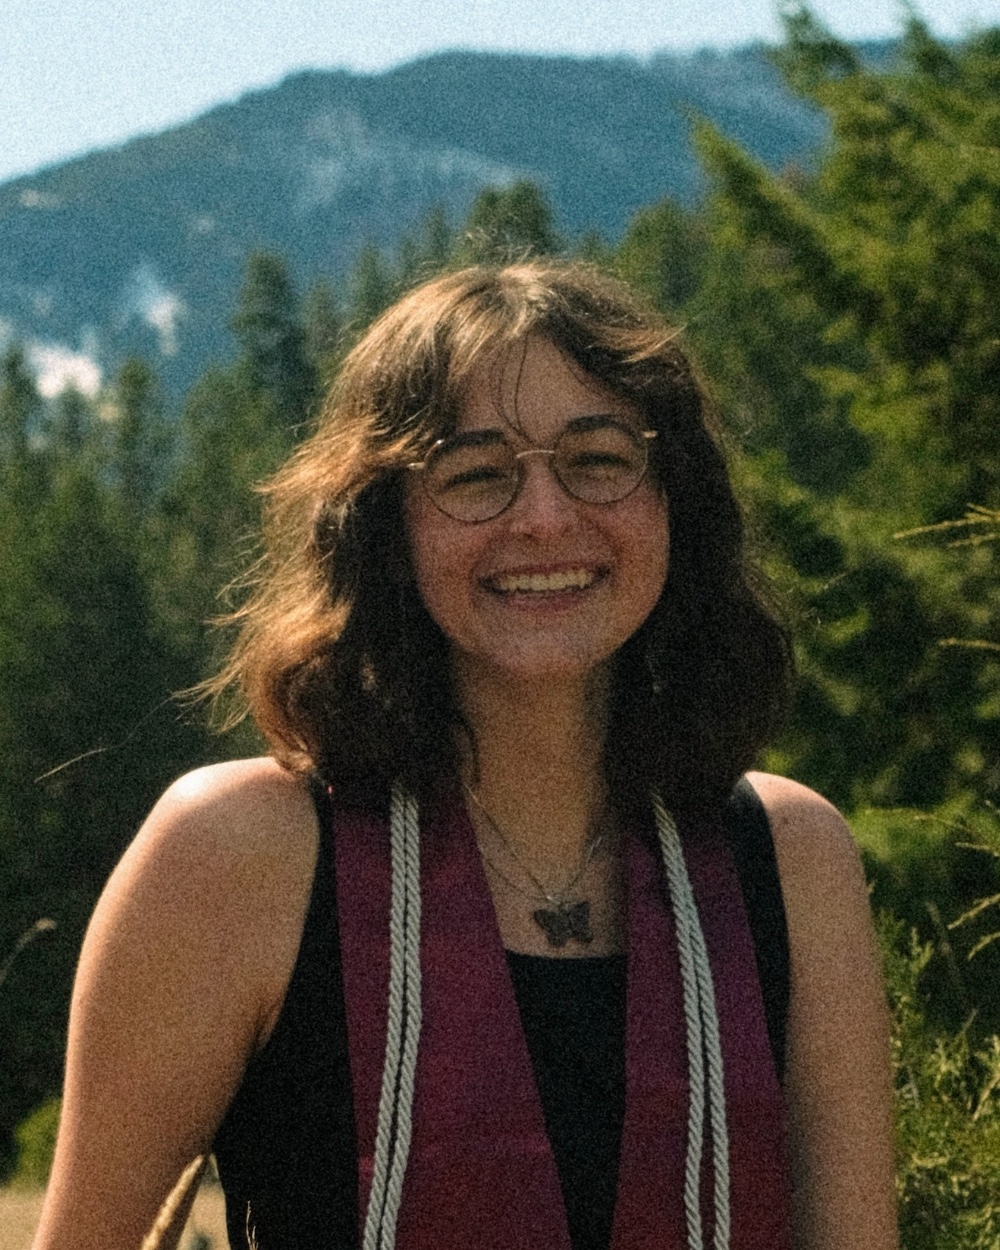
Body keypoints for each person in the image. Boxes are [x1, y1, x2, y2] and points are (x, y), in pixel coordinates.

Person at [32, 261, 897, 1250]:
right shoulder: (237, 854)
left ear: (675, 500)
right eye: (476, 474)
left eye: (599, 459)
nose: (542, 517)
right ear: (384, 528)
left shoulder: (785, 858)